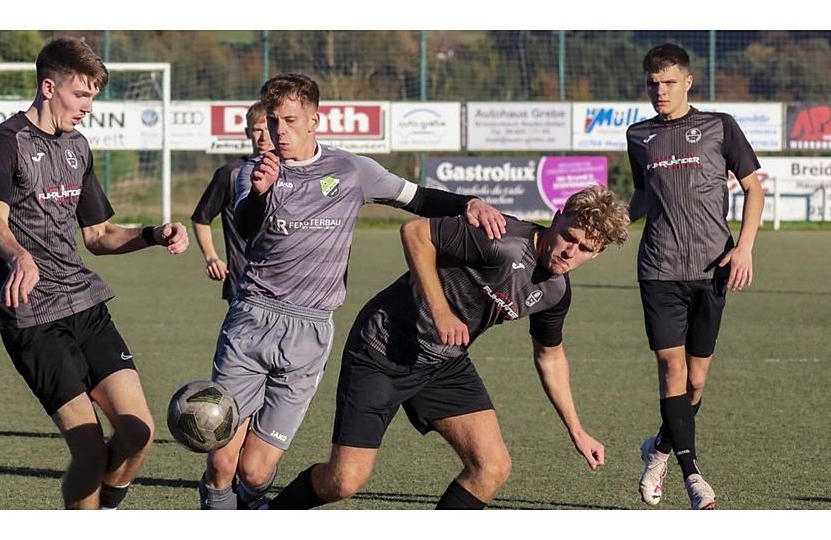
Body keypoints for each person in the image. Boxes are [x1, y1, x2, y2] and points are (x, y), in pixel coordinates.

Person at [197, 73, 507, 510]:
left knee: (255, 471)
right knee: (222, 462)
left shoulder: (351, 170)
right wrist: (262, 195)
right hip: (252, 319)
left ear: (314, 120)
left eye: (288, 120)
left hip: (310, 332)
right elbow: (247, 227)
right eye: (272, 120)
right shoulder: (257, 172)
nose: (277, 131)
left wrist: (466, 203)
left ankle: (249, 505)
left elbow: (415, 198)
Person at [269, 186, 630, 510]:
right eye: (569, 236)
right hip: (383, 347)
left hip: (442, 362)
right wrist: (441, 311)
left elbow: (550, 357)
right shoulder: (501, 238)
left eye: (586, 249)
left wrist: (577, 429)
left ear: (596, 255)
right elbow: (415, 234)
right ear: (556, 218)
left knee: (492, 467)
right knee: (344, 481)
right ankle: (266, 515)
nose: (571, 251)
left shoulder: (555, 293)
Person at [0, 37, 189, 510]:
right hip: (33, 318)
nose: (89, 107)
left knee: (138, 433)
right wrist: (18, 257)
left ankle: (101, 510)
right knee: (89, 452)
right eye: (82, 95)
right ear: (49, 87)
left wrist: (154, 234)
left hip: (85, 304)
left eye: (93, 96)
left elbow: (100, 236)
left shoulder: (78, 146)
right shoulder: (4, 144)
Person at [626, 43, 763, 510]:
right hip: (659, 269)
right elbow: (644, 195)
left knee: (697, 381)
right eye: (652, 83)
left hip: (713, 268)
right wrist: (619, 222)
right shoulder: (638, 135)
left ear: (688, 81)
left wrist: (743, 247)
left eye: (667, 83)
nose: (658, 92)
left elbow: (753, 188)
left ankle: (659, 448)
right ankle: (692, 477)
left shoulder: (719, 126)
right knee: (672, 370)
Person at [191, 102, 273, 303]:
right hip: (242, 281)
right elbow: (201, 218)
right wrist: (211, 257)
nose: (263, 136)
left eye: (268, 129)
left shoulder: (292, 171)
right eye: (257, 130)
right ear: (247, 132)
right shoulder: (230, 174)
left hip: (282, 280)